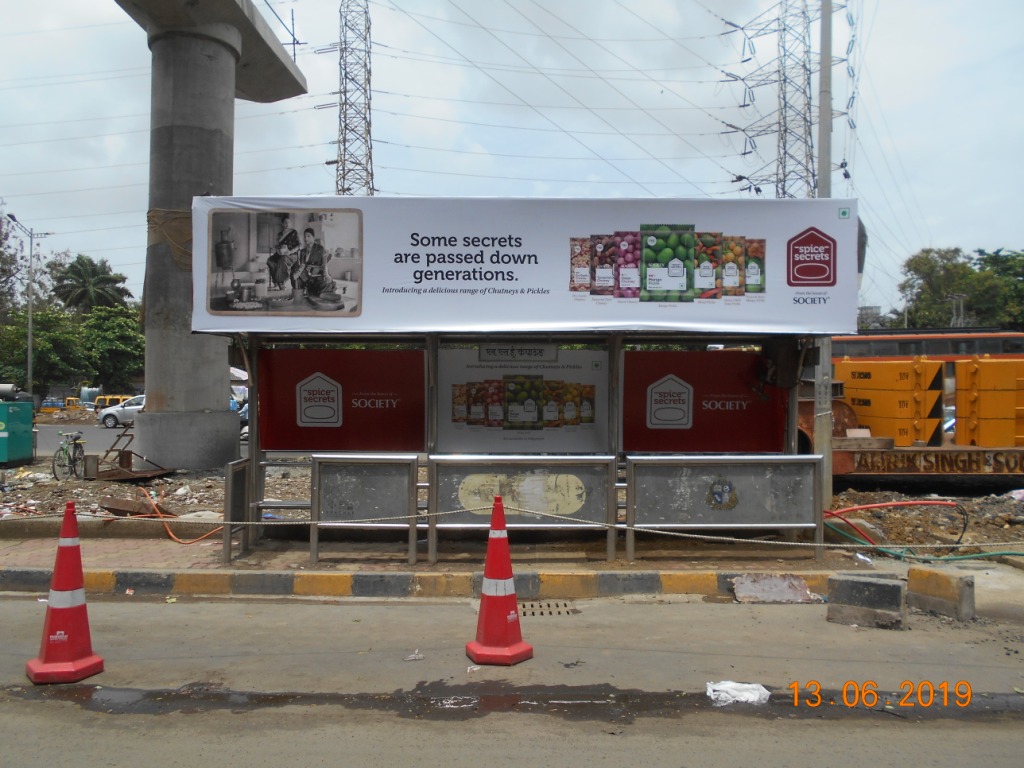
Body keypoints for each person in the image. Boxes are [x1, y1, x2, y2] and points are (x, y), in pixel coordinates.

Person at [294, 227, 334, 297]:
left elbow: (324, 264)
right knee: (296, 275)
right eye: (305, 236)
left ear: (313, 237)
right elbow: (302, 265)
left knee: (325, 285)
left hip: (319, 274)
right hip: (308, 275)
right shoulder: (303, 251)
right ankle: (305, 292)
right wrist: (297, 273)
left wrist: (326, 274)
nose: (306, 238)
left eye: (308, 236)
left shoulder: (320, 248)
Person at [266, 216, 300, 290]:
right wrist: (278, 250)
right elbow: (277, 246)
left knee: (283, 259)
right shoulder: (280, 234)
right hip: (281, 253)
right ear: (282, 224)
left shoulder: (294, 232)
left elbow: (298, 245)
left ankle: (281, 282)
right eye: (285, 222)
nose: (287, 224)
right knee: (270, 260)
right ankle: (275, 281)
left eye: (289, 222)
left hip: (292, 254)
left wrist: (290, 251)